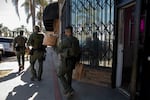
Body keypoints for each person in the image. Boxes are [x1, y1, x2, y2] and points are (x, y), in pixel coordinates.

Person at [57, 26, 80, 97]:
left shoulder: (65, 40)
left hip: (66, 61)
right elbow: (78, 51)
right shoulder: (76, 40)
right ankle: (69, 92)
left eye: (65, 32)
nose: (65, 33)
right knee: (69, 76)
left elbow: (59, 49)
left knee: (60, 74)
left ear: (67, 32)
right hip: (73, 61)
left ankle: (69, 89)